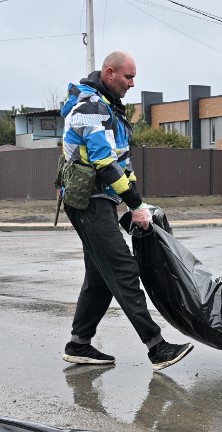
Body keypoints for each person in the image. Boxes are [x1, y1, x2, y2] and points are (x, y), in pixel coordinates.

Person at [59, 51, 193, 371]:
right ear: (109, 73)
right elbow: (104, 162)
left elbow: (122, 164)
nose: (133, 84)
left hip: (100, 199)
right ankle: (156, 347)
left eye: (134, 78)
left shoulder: (110, 109)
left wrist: (137, 204)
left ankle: (79, 344)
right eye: (128, 77)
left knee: (100, 276)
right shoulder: (90, 108)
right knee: (123, 268)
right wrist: (133, 204)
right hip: (87, 201)